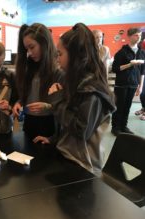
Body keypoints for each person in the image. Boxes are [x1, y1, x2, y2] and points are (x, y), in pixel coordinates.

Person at [47, 23, 116, 174]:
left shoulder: (92, 91)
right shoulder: (74, 82)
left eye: (60, 54)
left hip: (84, 164)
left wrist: (57, 100)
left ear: (75, 56)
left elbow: (81, 130)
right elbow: (68, 117)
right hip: (68, 155)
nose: (57, 59)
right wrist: (54, 139)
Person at [12, 23, 62, 142]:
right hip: (29, 123)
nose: (29, 53)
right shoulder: (29, 68)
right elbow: (27, 94)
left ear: (44, 43)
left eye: (32, 47)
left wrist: (53, 139)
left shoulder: (58, 70)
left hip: (51, 126)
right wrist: (19, 103)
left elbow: (65, 107)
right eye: (26, 49)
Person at [111, 27, 145, 135]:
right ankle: (115, 127)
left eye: (140, 35)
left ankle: (124, 126)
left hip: (133, 84)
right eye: (136, 35)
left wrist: (140, 86)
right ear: (129, 36)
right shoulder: (121, 52)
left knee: (127, 106)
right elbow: (115, 68)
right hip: (121, 84)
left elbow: (142, 71)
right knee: (119, 106)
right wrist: (130, 64)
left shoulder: (141, 52)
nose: (138, 37)